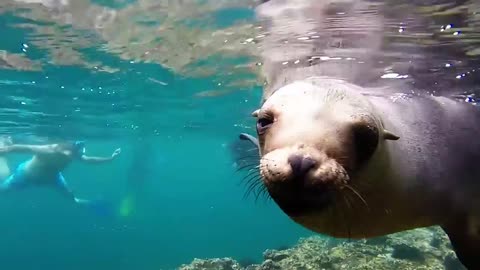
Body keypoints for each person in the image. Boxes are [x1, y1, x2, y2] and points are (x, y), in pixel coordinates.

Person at [0, 140, 121, 213]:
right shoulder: (50, 150)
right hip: (25, 175)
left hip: (53, 178)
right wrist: (5, 149)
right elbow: (23, 148)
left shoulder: (74, 154)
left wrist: (110, 158)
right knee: (3, 190)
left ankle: (90, 204)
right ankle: (2, 161)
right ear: (70, 149)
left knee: (72, 199)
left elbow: (90, 160)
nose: (81, 155)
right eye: (79, 151)